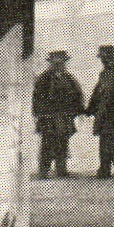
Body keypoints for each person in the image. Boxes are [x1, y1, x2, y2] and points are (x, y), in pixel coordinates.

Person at [32, 50, 83, 178]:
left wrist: (78, 110)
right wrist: (40, 114)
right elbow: (37, 98)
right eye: (56, 62)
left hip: (64, 117)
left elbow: (77, 95)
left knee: (63, 142)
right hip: (48, 117)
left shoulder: (69, 78)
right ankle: (44, 171)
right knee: (47, 143)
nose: (59, 65)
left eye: (61, 62)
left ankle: (61, 170)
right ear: (51, 63)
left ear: (64, 63)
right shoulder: (43, 79)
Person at [87, 43, 114, 178]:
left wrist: (99, 109)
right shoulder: (107, 71)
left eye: (103, 57)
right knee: (110, 140)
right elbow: (98, 91)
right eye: (101, 57)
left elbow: (110, 93)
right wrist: (90, 108)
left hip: (112, 113)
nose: (102, 60)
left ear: (109, 57)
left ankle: (107, 169)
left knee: (109, 141)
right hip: (108, 112)